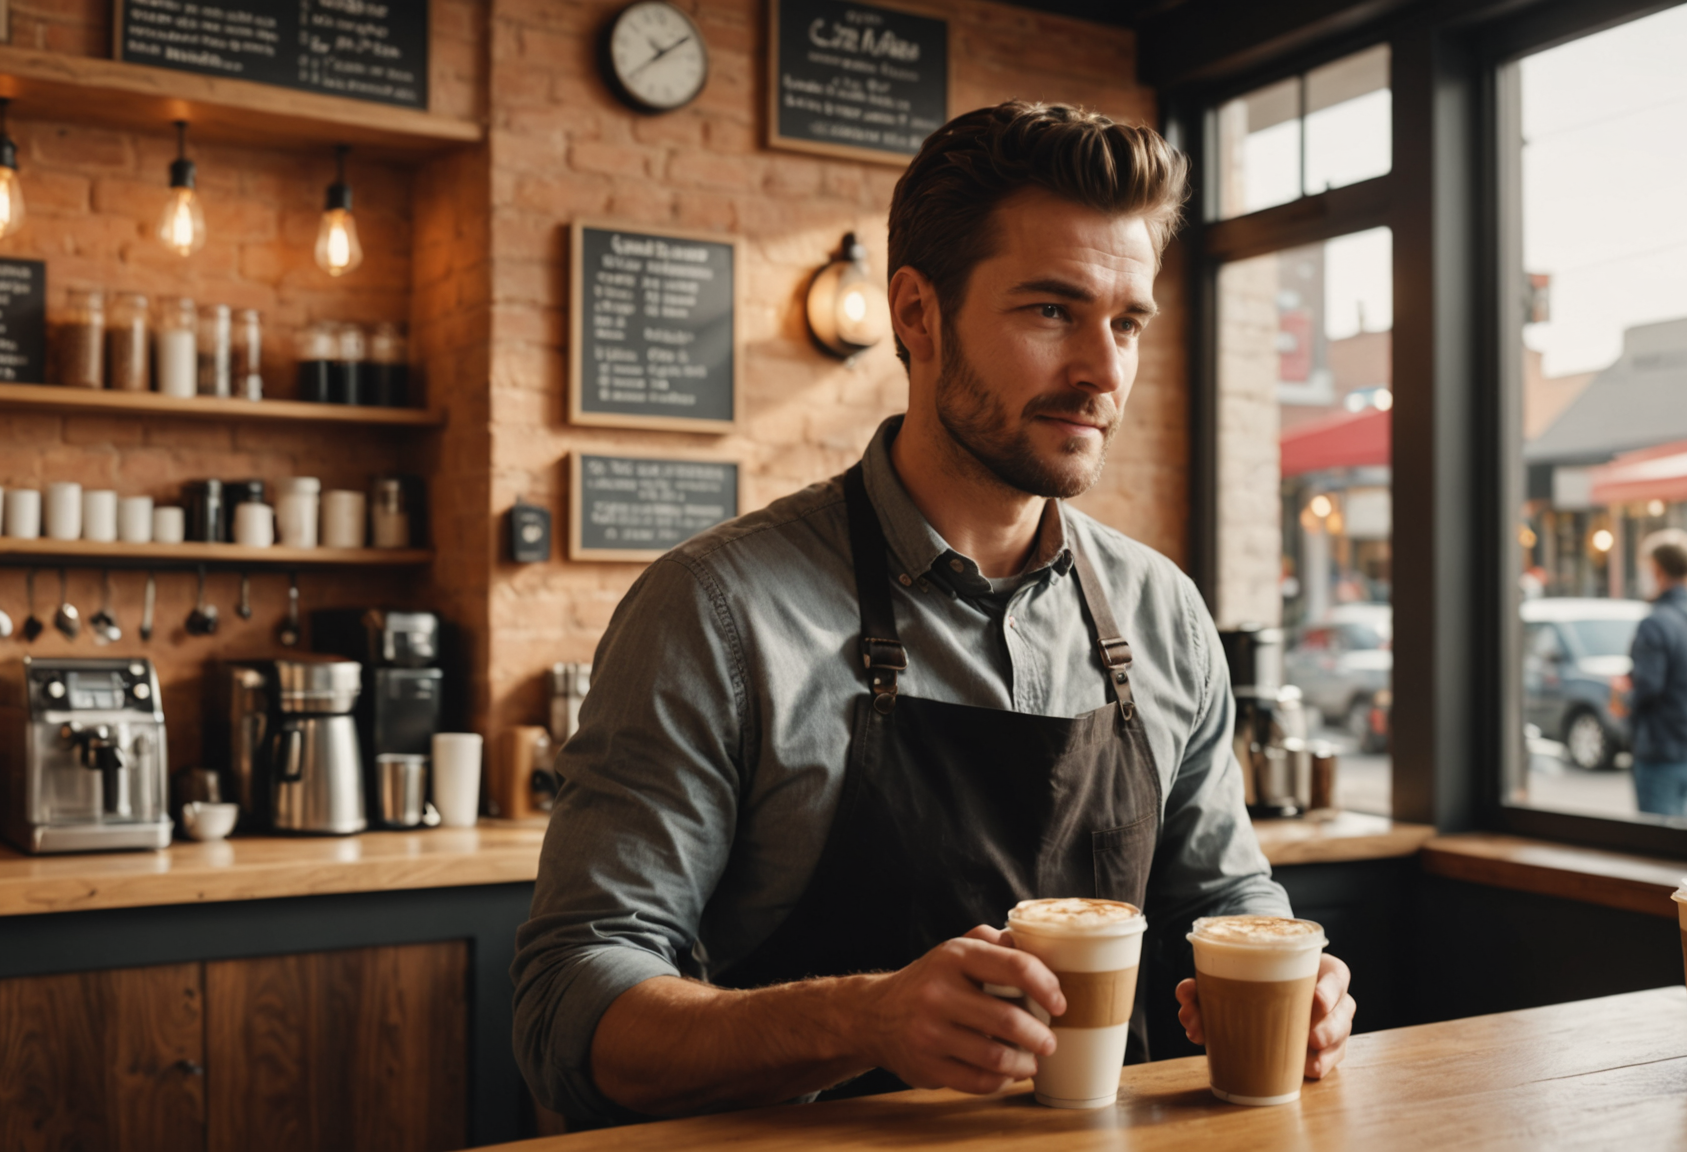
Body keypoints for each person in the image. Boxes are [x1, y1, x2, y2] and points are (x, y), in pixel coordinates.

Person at [511, 101, 1356, 1128]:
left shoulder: (1163, 615)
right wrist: (863, 1018)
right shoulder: (717, 611)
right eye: (1052, 311)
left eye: (1126, 322)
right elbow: (568, 1007)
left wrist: (1298, 984)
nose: (1102, 370)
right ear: (917, 315)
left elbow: (1227, 904)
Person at [1629, 529, 1687, 819]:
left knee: (1661, 850)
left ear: (1656, 569)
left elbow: (1647, 688)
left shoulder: (1657, 623)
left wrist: (1623, 697)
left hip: (1661, 751)